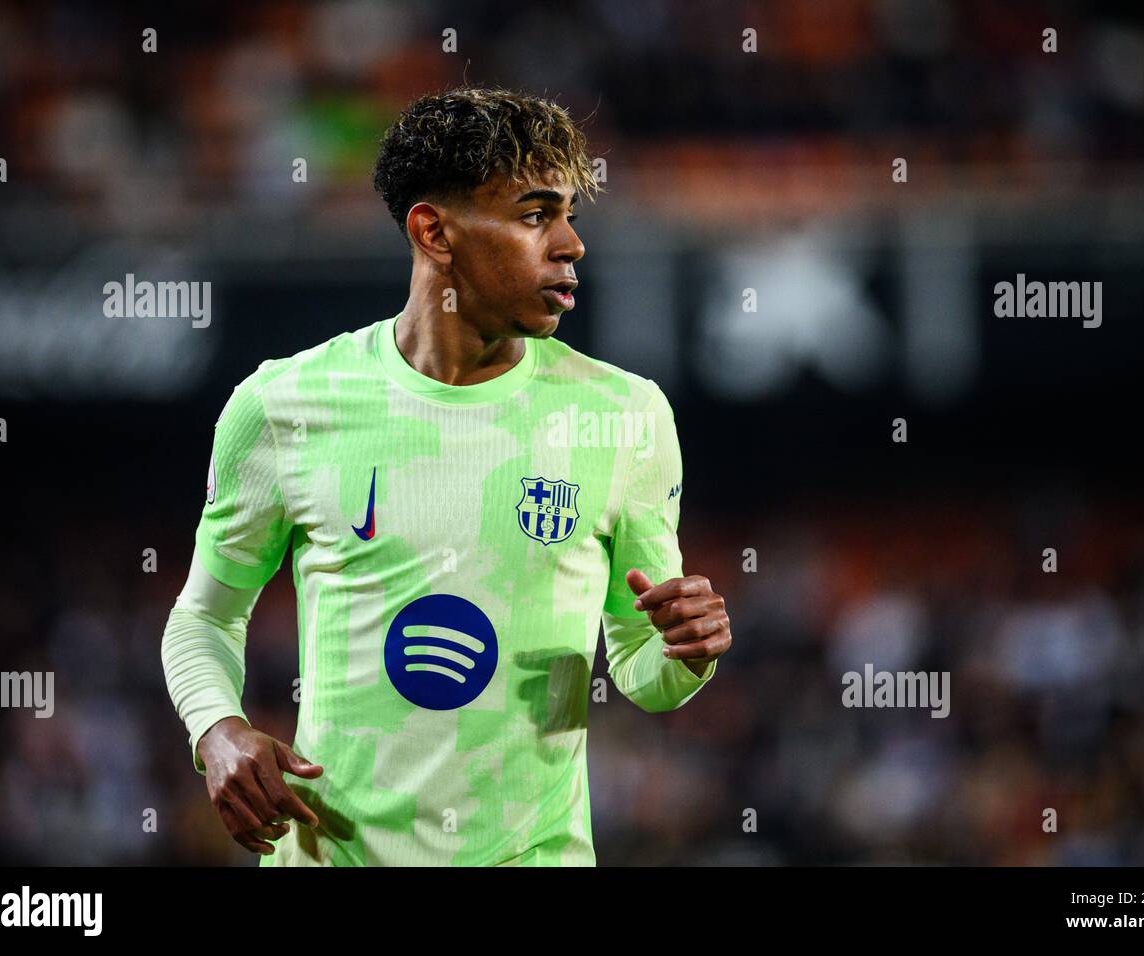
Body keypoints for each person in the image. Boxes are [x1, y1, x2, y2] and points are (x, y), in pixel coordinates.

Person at [161, 86, 732, 866]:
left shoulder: (624, 414)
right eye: (535, 215)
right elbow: (204, 617)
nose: (571, 243)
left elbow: (641, 667)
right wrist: (217, 730)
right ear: (434, 231)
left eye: (569, 214)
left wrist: (687, 651)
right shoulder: (284, 405)